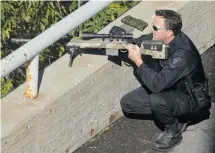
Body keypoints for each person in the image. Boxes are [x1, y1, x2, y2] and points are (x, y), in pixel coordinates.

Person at [121, 9, 211, 151]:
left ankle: (174, 130)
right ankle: (171, 112)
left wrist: (138, 61)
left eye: (156, 28)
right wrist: (129, 43)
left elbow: (157, 85)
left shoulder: (182, 55)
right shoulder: (168, 38)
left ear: (169, 32)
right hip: (171, 87)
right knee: (128, 104)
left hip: (190, 98)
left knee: (157, 99)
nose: (153, 30)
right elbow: (146, 40)